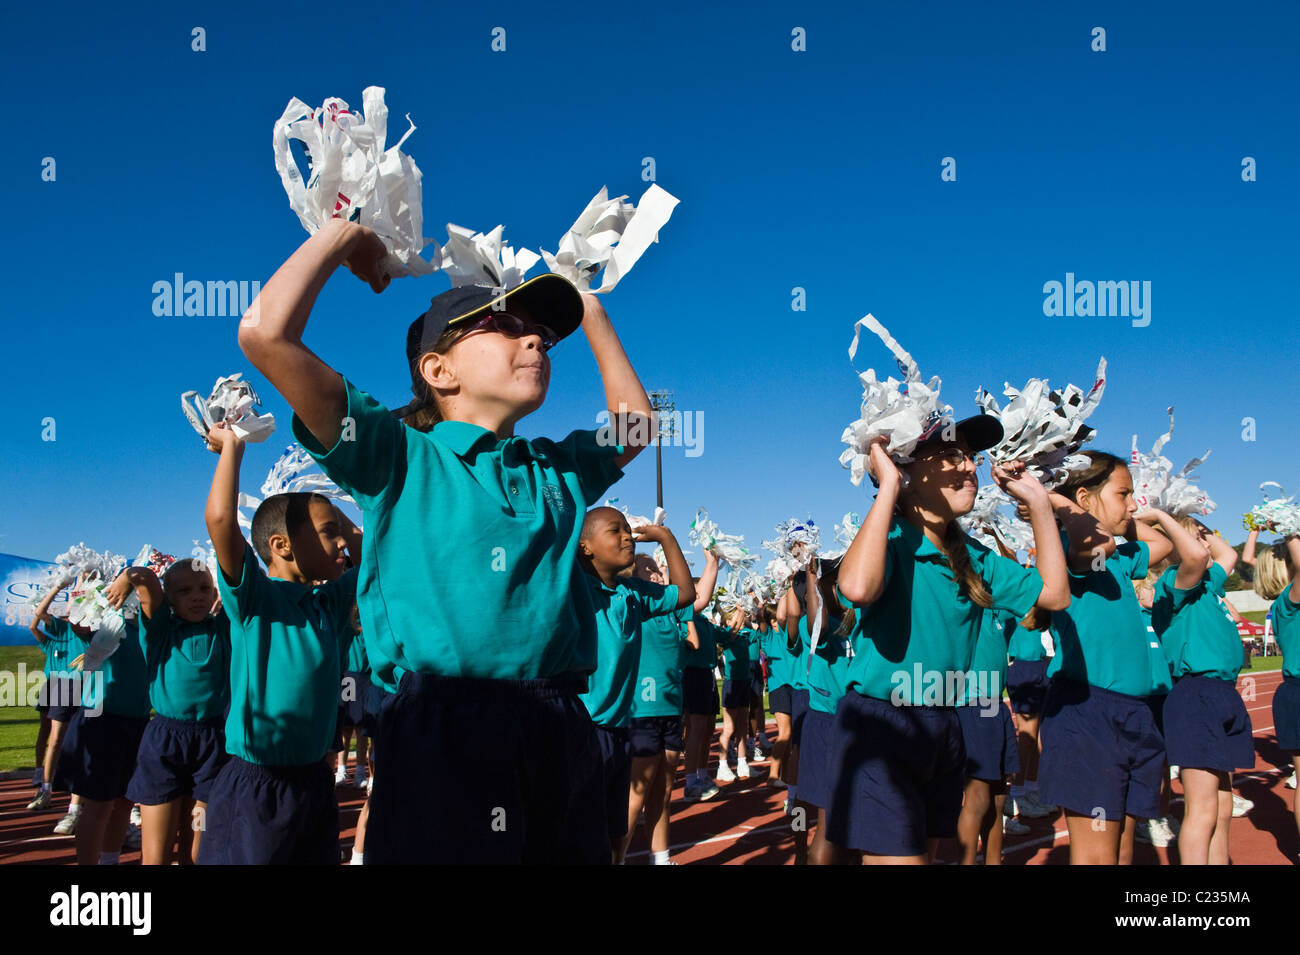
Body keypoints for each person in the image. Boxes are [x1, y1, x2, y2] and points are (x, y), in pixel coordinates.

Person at [239, 217, 654, 863]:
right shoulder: (396, 455)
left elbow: (634, 426)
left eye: (543, 333)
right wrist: (347, 236)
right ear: (438, 369)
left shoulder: (554, 466)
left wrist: (588, 306)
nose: (537, 341)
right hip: (445, 724)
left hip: (560, 720)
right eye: (506, 326)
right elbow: (265, 334)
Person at [833, 424, 1070, 864]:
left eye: (970, 456)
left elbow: (1054, 594)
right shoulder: (892, 540)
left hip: (943, 725)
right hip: (884, 724)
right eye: (953, 455)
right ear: (908, 470)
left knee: (935, 855)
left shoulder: (975, 556)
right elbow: (858, 587)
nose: (970, 465)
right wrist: (888, 485)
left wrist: (1037, 501)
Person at [198, 422, 361, 864]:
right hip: (256, 784)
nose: (343, 539)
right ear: (282, 546)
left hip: (314, 782)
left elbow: (364, 545)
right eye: (329, 531)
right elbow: (219, 520)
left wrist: (331, 488)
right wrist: (233, 446)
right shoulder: (256, 598)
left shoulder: (328, 601)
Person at [576, 508, 694, 862]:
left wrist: (666, 538)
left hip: (618, 731)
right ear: (585, 547)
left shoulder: (632, 593)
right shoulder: (574, 588)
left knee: (615, 831)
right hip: (581, 730)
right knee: (579, 831)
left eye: (628, 529)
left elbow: (684, 593)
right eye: (615, 531)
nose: (627, 536)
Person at [108, 560, 232, 864]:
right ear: (170, 597)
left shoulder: (223, 628)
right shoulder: (161, 630)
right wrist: (129, 577)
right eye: (184, 590)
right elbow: (148, 582)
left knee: (197, 846)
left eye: (205, 588)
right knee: (157, 852)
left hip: (212, 744)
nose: (197, 596)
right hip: (165, 743)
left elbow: (242, 573)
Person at [1152, 517, 1252, 865]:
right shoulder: (1177, 582)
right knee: (1203, 808)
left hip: (1223, 692)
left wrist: (1196, 521)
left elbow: (1228, 555)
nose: (1205, 547)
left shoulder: (1210, 584)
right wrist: (1165, 519)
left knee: (1223, 807)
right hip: (1196, 695)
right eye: (1195, 541)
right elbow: (1194, 557)